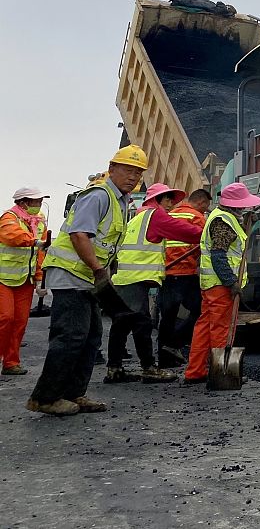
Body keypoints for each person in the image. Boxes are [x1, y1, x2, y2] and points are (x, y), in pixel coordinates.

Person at [28, 145, 148, 416]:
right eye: (128, 170)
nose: (133, 177)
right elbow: (79, 235)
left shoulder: (120, 200)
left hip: (86, 278)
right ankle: (45, 397)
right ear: (112, 168)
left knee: (91, 337)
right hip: (71, 275)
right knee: (70, 336)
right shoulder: (99, 195)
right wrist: (98, 270)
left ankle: (73, 394)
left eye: (138, 172)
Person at [106, 183, 202, 382]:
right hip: (136, 278)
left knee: (122, 323)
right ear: (156, 200)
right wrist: (209, 233)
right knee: (142, 323)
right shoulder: (155, 216)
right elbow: (185, 232)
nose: (171, 204)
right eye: (168, 200)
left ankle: (114, 369)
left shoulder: (137, 218)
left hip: (125, 278)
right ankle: (149, 368)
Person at [184, 182, 260, 384]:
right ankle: (220, 373)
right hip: (220, 286)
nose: (244, 208)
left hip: (210, 284)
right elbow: (219, 255)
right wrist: (231, 282)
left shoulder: (222, 217)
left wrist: (249, 222)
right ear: (235, 205)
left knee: (203, 327)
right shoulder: (224, 222)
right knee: (221, 329)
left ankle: (195, 372)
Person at [0, 188, 52, 375]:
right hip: (3, 279)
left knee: (19, 322)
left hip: (25, 281)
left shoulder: (38, 222)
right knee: (5, 319)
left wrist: (39, 279)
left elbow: (39, 253)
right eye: (36, 201)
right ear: (24, 203)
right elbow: (11, 236)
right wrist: (35, 242)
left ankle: (11, 363)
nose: (39, 205)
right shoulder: (9, 218)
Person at [158, 188, 211, 366]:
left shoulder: (170, 215)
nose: (205, 210)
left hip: (166, 272)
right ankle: (174, 343)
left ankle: (164, 359)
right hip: (185, 272)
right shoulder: (197, 217)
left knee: (167, 316)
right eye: (206, 207)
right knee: (201, 311)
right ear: (202, 203)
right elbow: (206, 243)